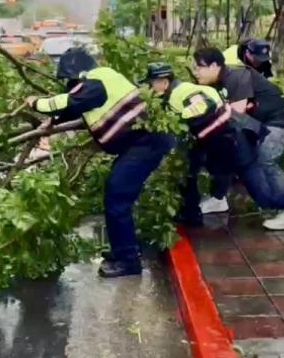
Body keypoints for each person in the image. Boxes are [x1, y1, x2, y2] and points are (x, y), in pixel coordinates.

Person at [25, 48, 174, 278]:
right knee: (115, 195)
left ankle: (128, 261)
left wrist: (36, 103)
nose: (69, 84)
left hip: (145, 144)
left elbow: (71, 100)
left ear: (80, 74)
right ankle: (122, 250)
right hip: (140, 144)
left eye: (70, 80)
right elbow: (78, 106)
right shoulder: (99, 83)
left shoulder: (97, 81)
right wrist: (53, 119)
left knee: (117, 198)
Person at [141, 62, 284, 228]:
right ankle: (192, 214)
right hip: (225, 146)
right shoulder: (178, 92)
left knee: (268, 198)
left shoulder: (181, 92)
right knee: (190, 167)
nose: (149, 90)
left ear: (163, 82)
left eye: (150, 85)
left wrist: (180, 120)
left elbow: (204, 104)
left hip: (236, 146)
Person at [191, 47, 284, 230]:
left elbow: (236, 115)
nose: (196, 73)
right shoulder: (217, 83)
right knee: (228, 146)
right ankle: (218, 197)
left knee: (265, 158)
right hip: (260, 126)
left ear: (214, 66)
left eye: (198, 68)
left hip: (279, 123)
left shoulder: (236, 76)